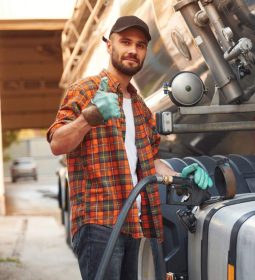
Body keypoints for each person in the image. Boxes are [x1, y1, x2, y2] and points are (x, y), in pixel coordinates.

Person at [47, 15, 212, 280]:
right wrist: (89, 117)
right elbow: (57, 143)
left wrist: (182, 175)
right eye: (125, 42)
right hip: (99, 223)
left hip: (137, 223)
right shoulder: (85, 90)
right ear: (109, 45)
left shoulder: (140, 107)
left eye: (140, 45)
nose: (133, 50)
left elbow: (149, 163)